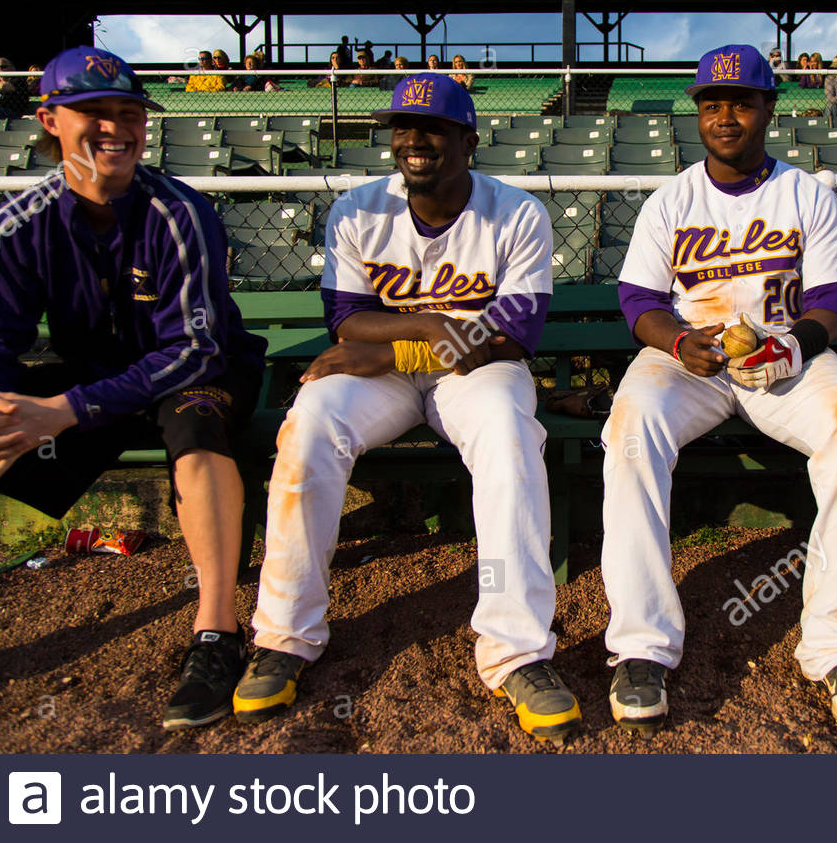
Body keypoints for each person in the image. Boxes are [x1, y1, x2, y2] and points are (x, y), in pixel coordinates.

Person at [231, 73, 582, 745]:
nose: (413, 139)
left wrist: (401, 346)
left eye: (433, 128)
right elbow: (346, 323)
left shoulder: (515, 212)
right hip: (391, 374)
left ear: (467, 140)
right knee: (309, 423)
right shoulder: (359, 209)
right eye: (402, 126)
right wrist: (427, 332)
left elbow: (510, 336)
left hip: (477, 374)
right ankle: (284, 636)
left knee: (510, 438)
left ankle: (517, 651)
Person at [0, 46, 268, 731]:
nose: (115, 128)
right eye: (93, 113)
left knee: (197, 424)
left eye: (128, 114)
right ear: (48, 120)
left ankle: (216, 632)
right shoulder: (16, 226)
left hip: (196, 373)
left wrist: (63, 411)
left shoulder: (178, 212)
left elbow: (193, 349)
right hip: (94, 377)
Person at [600, 44, 837, 742]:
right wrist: (675, 341)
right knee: (630, 425)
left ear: (768, 108)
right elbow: (639, 297)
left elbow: (831, 297)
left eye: (740, 102)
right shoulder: (672, 200)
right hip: (687, 359)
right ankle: (641, 645)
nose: (724, 115)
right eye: (711, 103)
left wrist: (798, 344)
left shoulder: (804, 194)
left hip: (782, 355)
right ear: (699, 113)